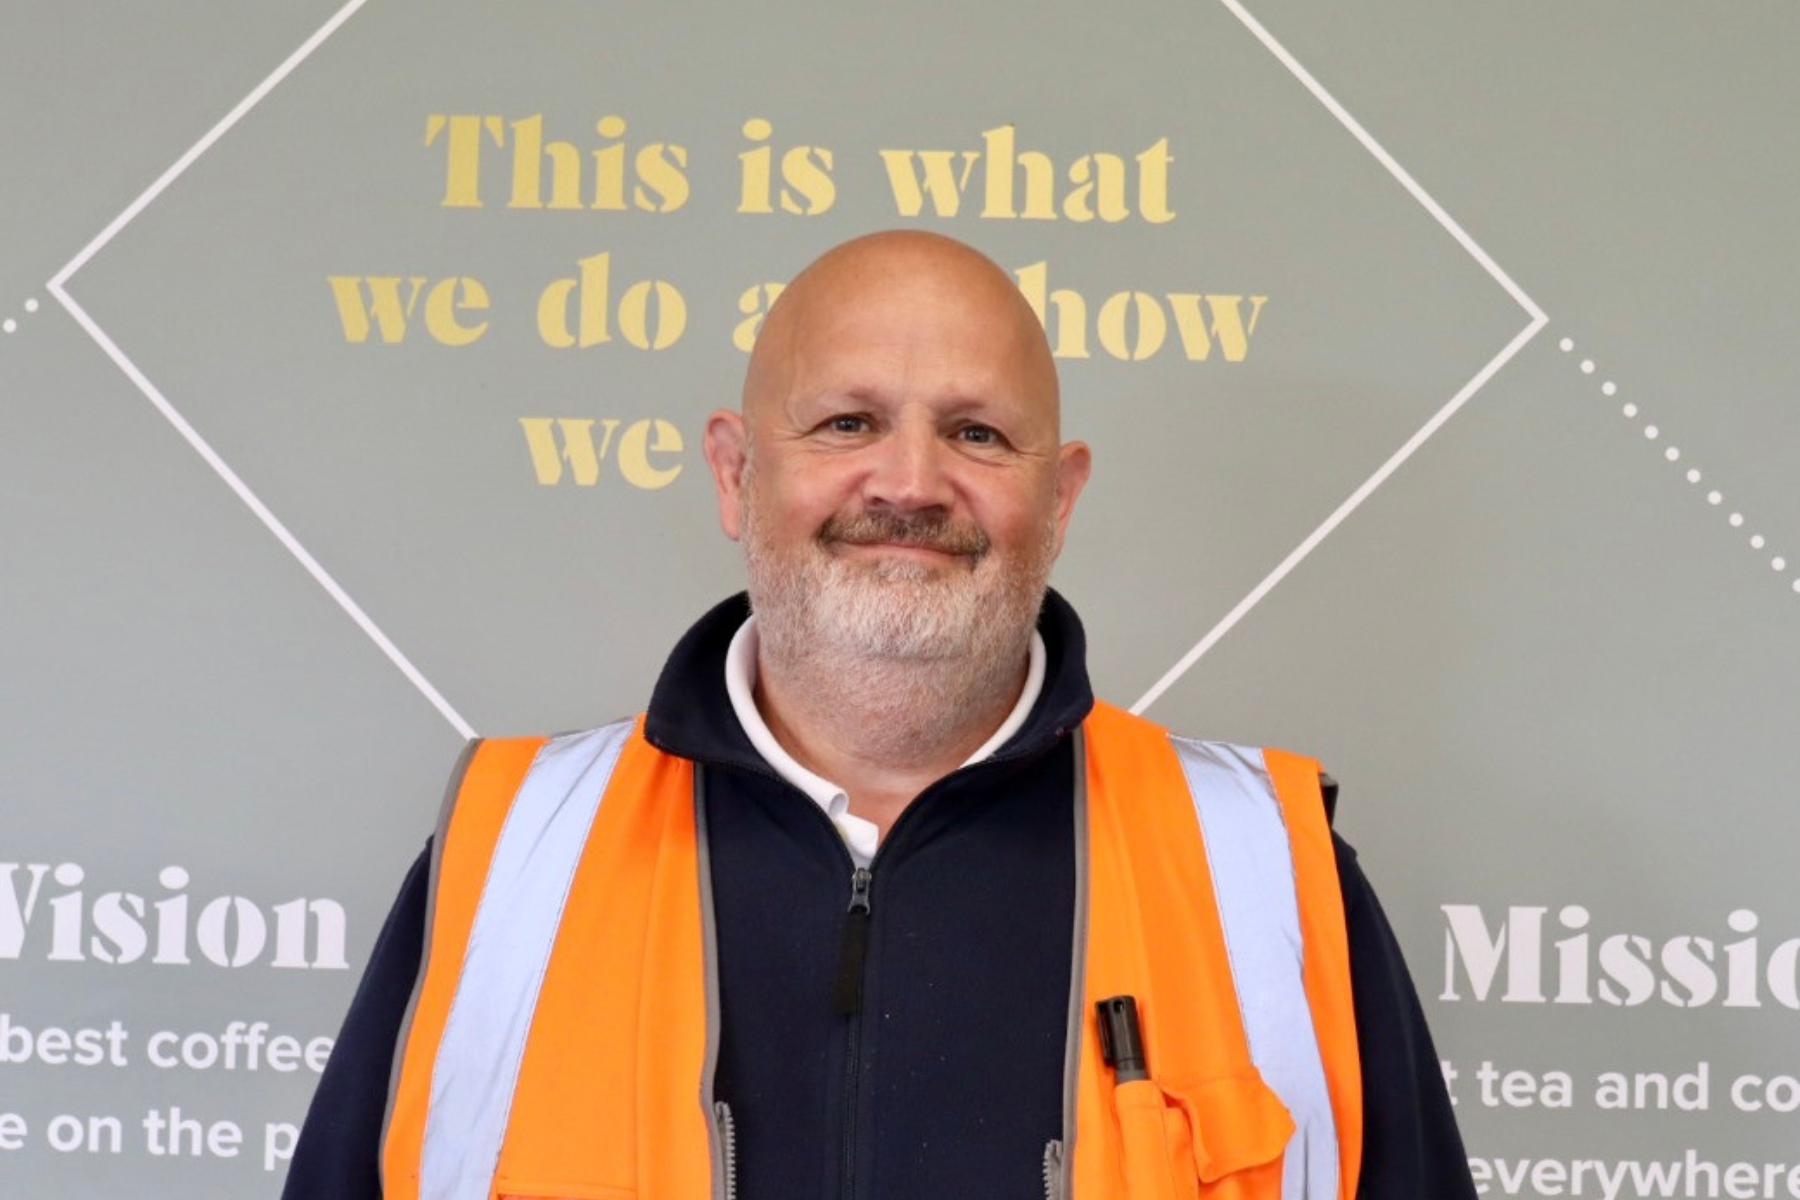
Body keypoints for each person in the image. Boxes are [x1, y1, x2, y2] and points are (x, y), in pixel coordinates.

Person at [283, 231, 1475, 1200]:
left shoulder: (1267, 870)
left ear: (1058, 501)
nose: (910, 484)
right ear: (737, 474)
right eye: (848, 422)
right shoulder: (507, 861)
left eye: (976, 434)